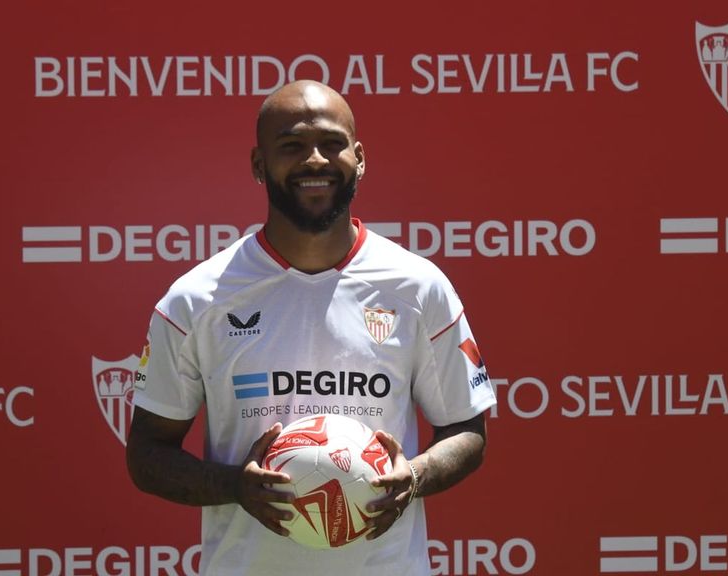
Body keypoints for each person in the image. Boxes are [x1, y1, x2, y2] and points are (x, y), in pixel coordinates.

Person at [126, 80, 496, 576]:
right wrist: (235, 486)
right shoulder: (198, 300)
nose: (315, 160)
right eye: (292, 146)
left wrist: (416, 475)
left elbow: (468, 428)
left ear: (360, 158)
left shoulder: (417, 287)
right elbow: (148, 454)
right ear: (259, 165)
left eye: (332, 144)